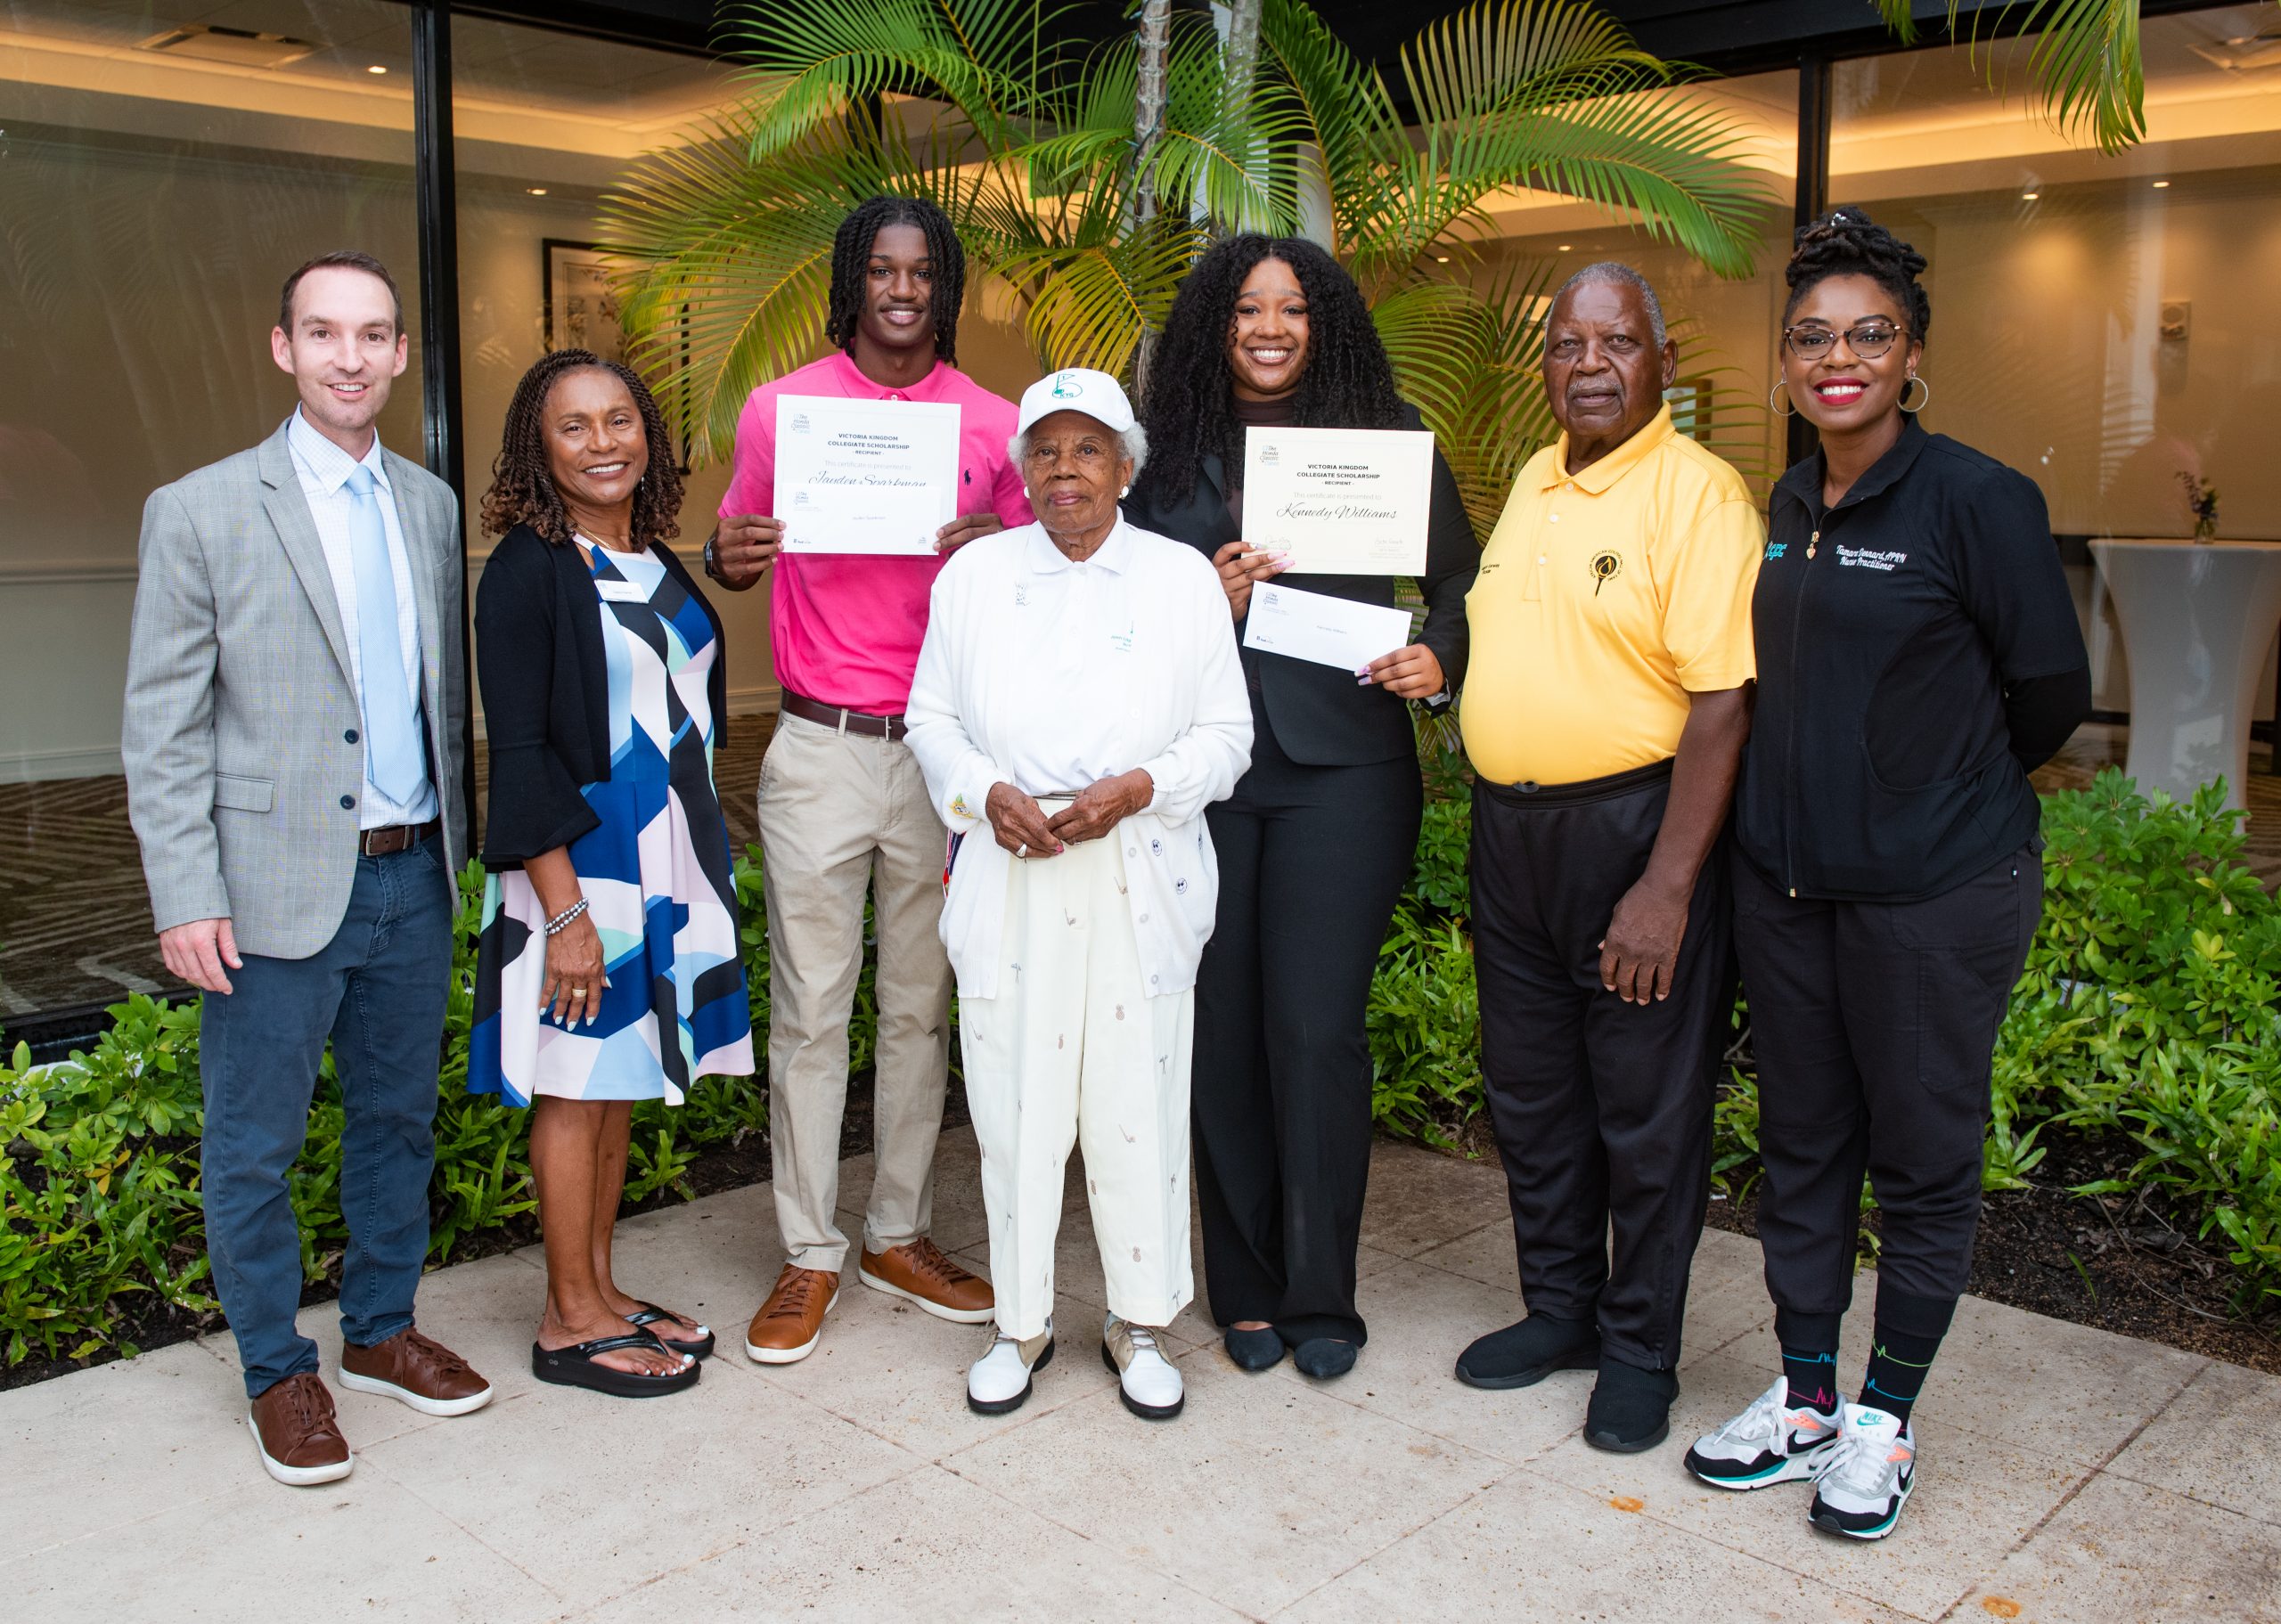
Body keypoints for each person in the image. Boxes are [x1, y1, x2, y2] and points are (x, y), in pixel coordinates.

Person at [1684, 209, 2089, 1539]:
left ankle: (1885, 1415)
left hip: (1934, 898)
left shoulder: (1977, 498)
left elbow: (2050, 699)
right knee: (1802, 1149)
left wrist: (1923, 797)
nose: (1837, 357)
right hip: (1791, 894)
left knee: (1921, 1159)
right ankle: (1805, 1396)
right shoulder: (1791, 500)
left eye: (1868, 334)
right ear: (1787, 361)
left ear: (1913, 354)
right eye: (1812, 337)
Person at [123, 250, 492, 1486]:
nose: (349, 355)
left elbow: (440, 700)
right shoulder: (203, 507)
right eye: (322, 332)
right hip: (267, 889)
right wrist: (186, 893)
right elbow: (161, 724)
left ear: (399, 355)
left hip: (411, 877)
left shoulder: (432, 507)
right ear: (282, 347)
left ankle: (382, 1329)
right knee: (254, 1143)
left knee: (395, 1122)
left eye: (373, 333)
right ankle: (280, 1368)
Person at [1124, 235, 1476, 1380]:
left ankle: (1323, 1289)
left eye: (1291, 308)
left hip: (1345, 775)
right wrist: (1198, 594)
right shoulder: (1161, 450)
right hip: (1202, 780)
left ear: (1323, 320)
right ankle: (1248, 1286)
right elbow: (1112, 611)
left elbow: (1461, 583)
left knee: (1316, 1031)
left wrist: (1439, 655)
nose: (1268, 327)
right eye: (1244, 308)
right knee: (1221, 1029)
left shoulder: (1384, 434)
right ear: (1211, 326)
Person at [707, 195, 1031, 1364]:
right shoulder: (778, 409)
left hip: (946, 753)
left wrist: (1002, 548)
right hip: (820, 747)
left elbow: (1047, 581)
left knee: (917, 1006)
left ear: (944, 286)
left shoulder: (996, 425)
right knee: (810, 1008)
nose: (903, 290)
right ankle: (807, 1250)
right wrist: (723, 554)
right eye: (883, 271)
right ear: (855, 282)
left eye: (922, 272)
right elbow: (737, 545)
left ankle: (897, 1230)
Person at [1452, 263, 1762, 1454]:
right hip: (1512, 836)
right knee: (1533, 1099)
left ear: (1664, 362)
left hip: (1633, 836)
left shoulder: (1700, 494)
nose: (1591, 363)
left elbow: (1723, 702)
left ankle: (1640, 1348)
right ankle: (1564, 1311)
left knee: (1646, 1112)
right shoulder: (1535, 477)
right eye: (1569, 343)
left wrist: (1668, 885)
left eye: (1618, 342)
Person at [905, 368, 1252, 1421]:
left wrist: (1143, 786)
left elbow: (1226, 738)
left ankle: (1139, 1319)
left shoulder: (1181, 576)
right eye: (1045, 450)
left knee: (1136, 1097)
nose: (1065, 470)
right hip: (1012, 862)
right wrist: (984, 792)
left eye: (1088, 448)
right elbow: (931, 719)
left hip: (1138, 865)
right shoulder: (973, 576)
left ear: (1127, 467)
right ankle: (1021, 1322)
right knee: (1014, 1100)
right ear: (1022, 471)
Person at [467, 348, 755, 1397]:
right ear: (538, 450)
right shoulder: (527, 569)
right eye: (574, 426)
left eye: (619, 419)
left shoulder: (650, 556)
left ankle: (597, 1287)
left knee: (618, 1082)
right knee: (575, 1087)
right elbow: (527, 750)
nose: (603, 443)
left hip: (662, 859)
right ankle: (566, 1319)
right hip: (580, 871)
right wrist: (566, 915)